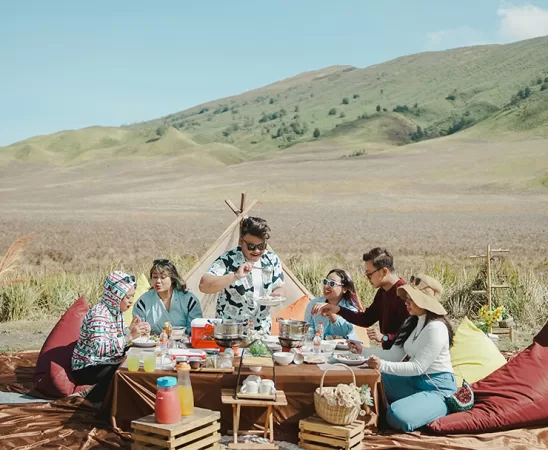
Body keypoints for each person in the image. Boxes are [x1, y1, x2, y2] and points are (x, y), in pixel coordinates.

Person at [348, 274, 457, 432]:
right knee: (368, 383)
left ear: (423, 301)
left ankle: (440, 407)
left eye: (410, 298)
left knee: (397, 416)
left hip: (436, 387)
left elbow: (418, 367)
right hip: (412, 381)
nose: (406, 302)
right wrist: (362, 351)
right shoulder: (412, 322)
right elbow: (394, 355)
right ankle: (411, 405)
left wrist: (382, 365)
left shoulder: (436, 328)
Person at [72, 271, 150, 404]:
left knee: (137, 357)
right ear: (116, 296)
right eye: (128, 297)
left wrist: (130, 329)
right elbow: (100, 348)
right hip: (88, 366)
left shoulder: (115, 311)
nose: (131, 301)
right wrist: (129, 336)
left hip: (105, 361)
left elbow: (114, 335)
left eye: (132, 296)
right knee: (122, 369)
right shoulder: (99, 314)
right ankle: (91, 396)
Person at [199, 216, 285, 333]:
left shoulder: (271, 259)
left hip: (262, 330)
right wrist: (235, 276)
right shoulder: (228, 260)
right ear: (241, 241)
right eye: (251, 246)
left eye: (261, 246)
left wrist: (276, 296)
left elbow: (279, 286)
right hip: (231, 332)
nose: (256, 251)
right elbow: (204, 285)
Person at [312, 248, 408, 349]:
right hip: (391, 353)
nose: (367, 278)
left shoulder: (404, 295)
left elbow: (409, 334)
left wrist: (384, 338)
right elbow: (367, 319)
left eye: (369, 274)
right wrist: (338, 310)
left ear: (384, 271)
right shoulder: (383, 292)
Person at [133, 259, 203, 335]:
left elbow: (196, 329)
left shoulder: (189, 300)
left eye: (163, 277)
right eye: (155, 277)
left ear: (172, 279)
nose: (158, 281)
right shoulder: (143, 302)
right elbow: (138, 331)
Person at [304, 269, 361, 340]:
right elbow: (308, 330)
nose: (326, 286)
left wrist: (331, 313)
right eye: (325, 282)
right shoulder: (313, 304)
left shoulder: (350, 309)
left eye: (332, 283)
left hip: (346, 349)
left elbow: (344, 332)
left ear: (344, 289)